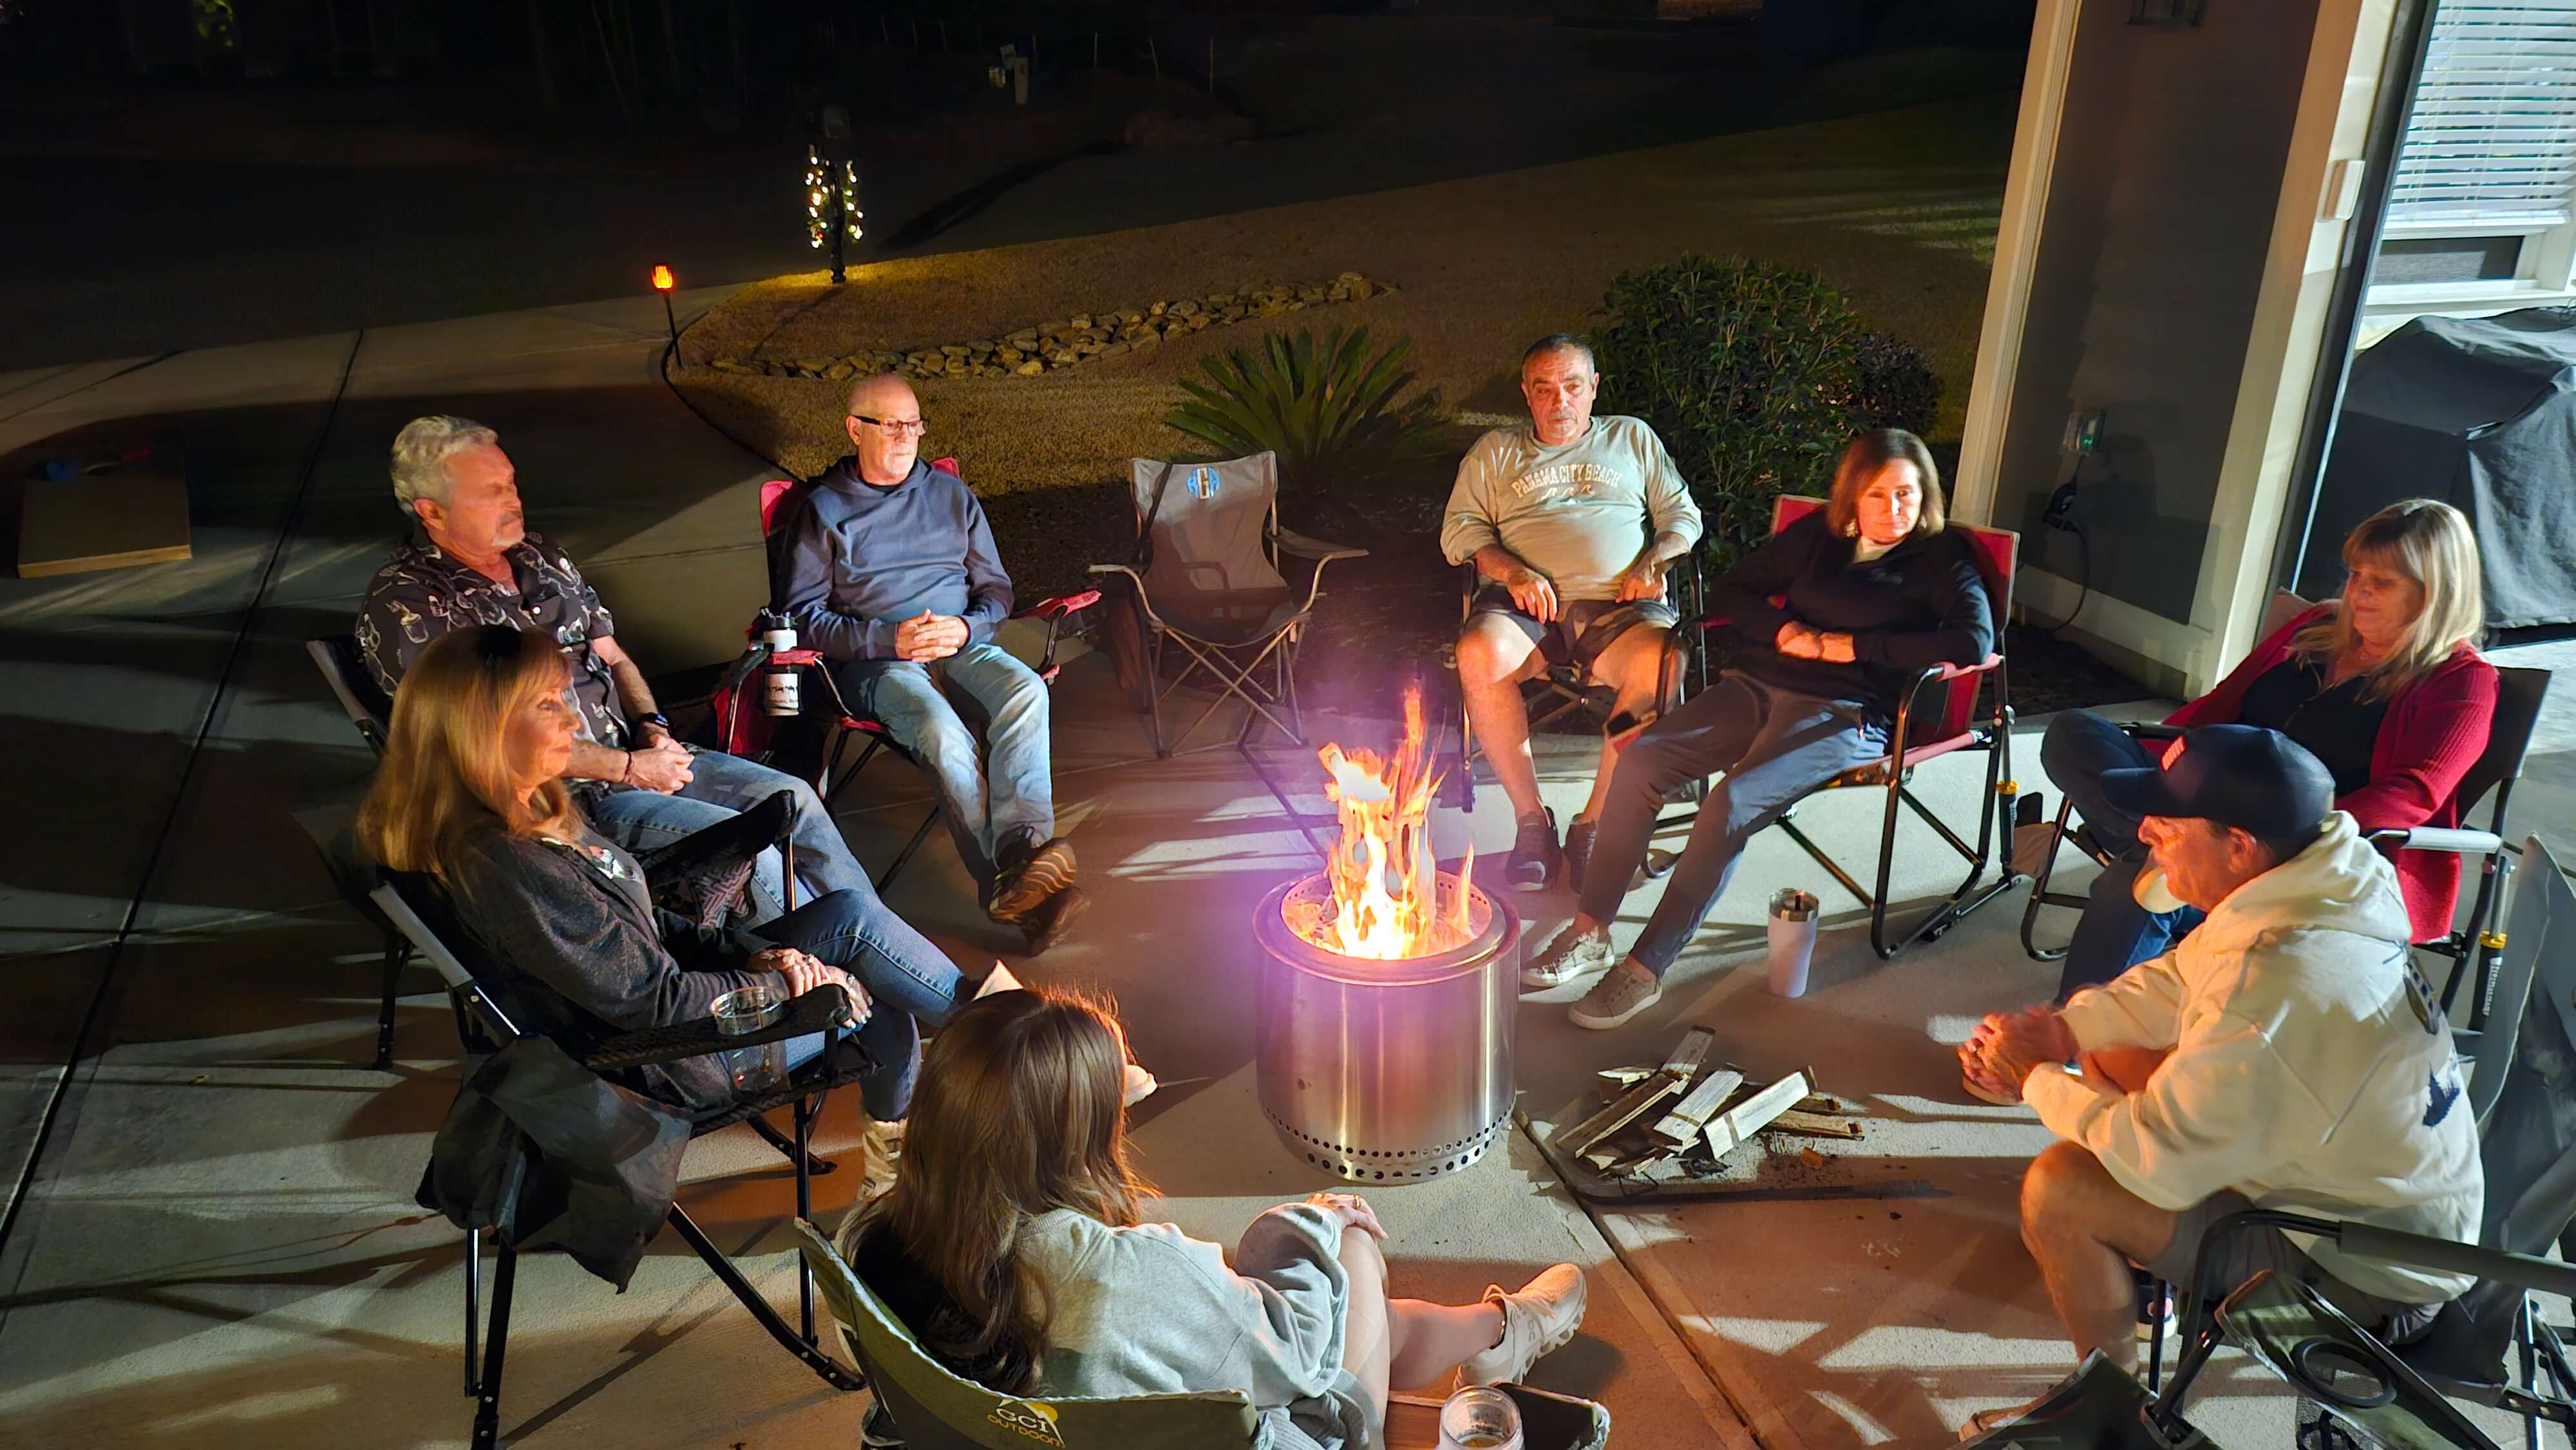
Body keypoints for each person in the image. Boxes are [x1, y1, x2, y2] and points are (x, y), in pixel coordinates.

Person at [1955, 726, 2481, 1434]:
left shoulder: (2274, 982)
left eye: (2167, 824)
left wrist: (2037, 1078)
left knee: (2061, 1190)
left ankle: (2105, 1425)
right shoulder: (2323, 883)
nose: (2145, 830)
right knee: (2110, 1049)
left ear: (2238, 843)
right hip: (2384, 1201)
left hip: (2361, 1270)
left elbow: (2160, 1163)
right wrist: (2066, 1031)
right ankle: (2123, 1339)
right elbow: (2181, 973)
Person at [836, 989, 1587, 1448]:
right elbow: (1297, 1355)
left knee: (1346, 1312)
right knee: (1349, 1253)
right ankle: (1500, 1333)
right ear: (1080, 1135)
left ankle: (1499, 1330)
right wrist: (1313, 1220)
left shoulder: (868, 1239)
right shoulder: (1125, 1277)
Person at [355, 625, 990, 1124]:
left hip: (692, 998)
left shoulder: (523, 814)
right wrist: (775, 989)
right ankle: (997, 1068)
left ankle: (1003, 1026)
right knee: (872, 1004)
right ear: (483, 731)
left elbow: (648, 928)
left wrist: (766, 961)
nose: (574, 721)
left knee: (849, 917)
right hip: (674, 1056)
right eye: (550, 705)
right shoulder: (503, 861)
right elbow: (651, 1004)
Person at [1525, 429, 1993, 1030]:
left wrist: (1857, 647)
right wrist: (1781, 633)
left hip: (1846, 712)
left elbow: (1974, 641)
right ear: (1853, 498)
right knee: (1642, 761)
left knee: (1731, 802)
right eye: (1878, 496)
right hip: (1757, 687)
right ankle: (1591, 931)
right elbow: (1734, 588)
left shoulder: (1941, 559)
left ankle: (1646, 969)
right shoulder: (1819, 538)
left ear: (1925, 496)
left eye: (1907, 495)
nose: (1894, 510)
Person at [358, 415, 869, 924]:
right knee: (747, 846)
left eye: (510, 481)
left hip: (640, 757)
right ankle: (827, 972)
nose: (512, 499)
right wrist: (627, 769)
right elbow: (485, 743)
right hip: (564, 802)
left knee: (793, 798)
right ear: (432, 511)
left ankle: (880, 951)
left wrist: (653, 730)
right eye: (490, 491)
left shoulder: (540, 556)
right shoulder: (411, 605)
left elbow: (615, 656)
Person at [2037, 498, 2496, 1000]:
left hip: (2290, 851)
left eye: (2381, 582)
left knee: (2135, 889)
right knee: (2074, 732)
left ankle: (2077, 1042)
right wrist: (2162, 776)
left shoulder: (2461, 680)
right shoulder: (2315, 627)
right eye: (2355, 574)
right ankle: (2167, 849)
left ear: (2436, 594)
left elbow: (2412, 793)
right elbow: (2215, 709)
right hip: (2206, 807)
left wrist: (2285, 836)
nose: (2358, 591)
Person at [770, 375, 1082, 953]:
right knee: (941, 733)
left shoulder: (951, 496)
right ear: (854, 428)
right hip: (880, 665)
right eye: (890, 425)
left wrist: (967, 626)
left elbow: (997, 592)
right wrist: (889, 639)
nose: (905, 437)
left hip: (962, 644)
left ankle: (1020, 856)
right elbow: (802, 620)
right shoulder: (823, 510)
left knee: (1025, 692)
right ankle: (1009, 889)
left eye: (913, 424)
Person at [1440, 334, 1704, 892]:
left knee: (1662, 664)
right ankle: (1532, 820)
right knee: (1476, 653)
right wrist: (1512, 571)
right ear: (1526, 395)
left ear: (1594, 390)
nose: (1560, 401)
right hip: (1525, 607)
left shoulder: (1631, 438)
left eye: (1572, 386)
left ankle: (1594, 824)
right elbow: (1460, 531)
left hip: (1621, 608)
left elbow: (1682, 515)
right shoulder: (1495, 452)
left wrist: (1656, 558)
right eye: (1545, 389)